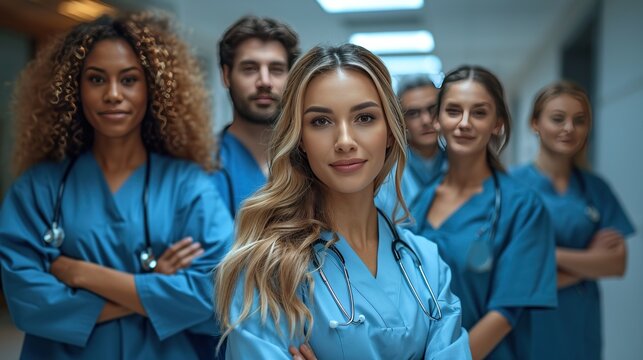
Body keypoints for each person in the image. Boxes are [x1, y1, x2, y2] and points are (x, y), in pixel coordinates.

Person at [0, 12, 233, 359]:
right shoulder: (39, 188)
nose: (112, 94)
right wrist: (153, 283)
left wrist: (81, 273)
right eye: (96, 79)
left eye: (129, 80)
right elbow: (29, 303)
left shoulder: (189, 186)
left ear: (151, 88)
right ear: (75, 89)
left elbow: (215, 297)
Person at [214, 44, 471, 359]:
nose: (345, 141)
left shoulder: (427, 264)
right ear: (301, 140)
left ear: (390, 132)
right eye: (321, 122)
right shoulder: (268, 270)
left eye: (364, 117)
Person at [409, 65, 557, 359]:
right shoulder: (421, 202)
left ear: (497, 123)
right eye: (453, 111)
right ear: (438, 120)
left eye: (479, 113)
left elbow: (504, 313)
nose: (464, 123)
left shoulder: (523, 208)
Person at [510, 81, 635, 360]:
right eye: (558, 119)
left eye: (579, 120)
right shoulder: (511, 186)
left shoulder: (595, 188)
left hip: (580, 328)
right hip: (530, 327)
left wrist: (548, 255)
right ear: (534, 123)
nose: (569, 128)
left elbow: (617, 263)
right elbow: (516, 273)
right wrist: (590, 262)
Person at [213, 16, 300, 217]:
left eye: (276, 69)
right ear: (226, 75)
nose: (264, 81)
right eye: (250, 69)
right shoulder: (200, 165)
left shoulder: (310, 161)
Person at [376, 74, 446, 217]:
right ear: (402, 121)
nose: (426, 120)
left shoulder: (459, 164)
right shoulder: (388, 175)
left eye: (432, 109)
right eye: (413, 113)